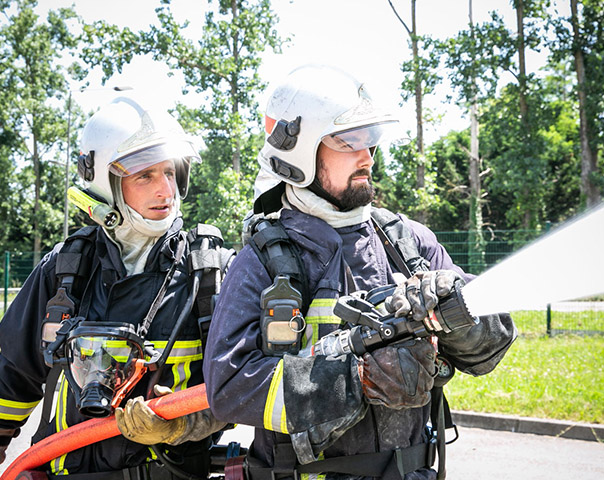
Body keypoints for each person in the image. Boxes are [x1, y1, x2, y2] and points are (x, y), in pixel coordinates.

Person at [202, 64, 517, 480]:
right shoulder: (263, 260)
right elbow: (230, 388)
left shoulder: (408, 242)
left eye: (370, 140)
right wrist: (357, 379)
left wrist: (457, 312)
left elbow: (492, 344)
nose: (367, 156)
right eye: (349, 141)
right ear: (300, 152)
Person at [0, 96, 233, 480]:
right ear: (106, 185)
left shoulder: (208, 273)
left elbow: (238, 386)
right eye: (145, 176)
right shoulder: (66, 268)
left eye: (170, 172)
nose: (165, 190)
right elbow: (16, 373)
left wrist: (182, 425)